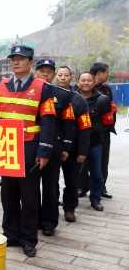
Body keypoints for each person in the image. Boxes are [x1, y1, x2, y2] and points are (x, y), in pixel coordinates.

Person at [0, 45, 55, 257]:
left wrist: (44, 150)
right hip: (6, 150)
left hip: (30, 150)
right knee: (8, 195)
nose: (16, 62)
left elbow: (48, 120)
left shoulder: (43, 87)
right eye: (13, 59)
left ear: (31, 62)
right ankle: (10, 235)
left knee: (29, 197)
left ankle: (28, 239)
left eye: (21, 59)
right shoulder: (1, 86)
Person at [34, 59, 75, 236]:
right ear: (35, 72)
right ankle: (34, 218)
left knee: (51, 186)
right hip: (32, 145)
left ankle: (49, 221)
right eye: (41, 71)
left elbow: (68, 123)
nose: (45, 74)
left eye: (49, 71)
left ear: (53, 75)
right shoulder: (28, 93)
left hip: (54, 146)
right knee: (31, 186)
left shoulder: (63, 95)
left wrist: (66, 146)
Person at [55, 66, 91, 222]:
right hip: (53, 147)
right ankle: (51, 206)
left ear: (71, 78)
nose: (63, 78)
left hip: (73, 148)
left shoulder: (79, 100)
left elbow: (85, 126)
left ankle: (70, 208)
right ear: (55, 77)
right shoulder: (48, 96)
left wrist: (83, 151)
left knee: (72, 180)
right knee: (51, 181)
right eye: (60, 75)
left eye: (66, 75)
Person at [78, 62, 117, 199]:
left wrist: (105, 127)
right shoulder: (75, 94)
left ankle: (101, 188)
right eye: (107, 72)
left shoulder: (106, 90)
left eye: (89, 80)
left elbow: (110, 110)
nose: (108, 74)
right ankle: (82, 186)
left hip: (102, 132)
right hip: (82, 134)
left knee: (102, 161)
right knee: (83, 163)